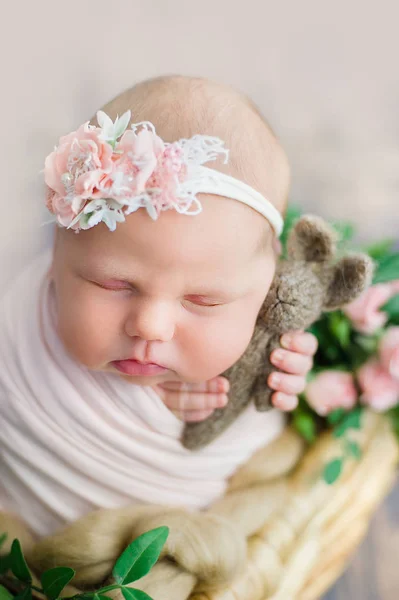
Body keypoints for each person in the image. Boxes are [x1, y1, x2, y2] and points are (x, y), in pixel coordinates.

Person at [0, 75, 317, 540]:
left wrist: (271, 374)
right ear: (57, 257)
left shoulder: (265, 340)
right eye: (112, 284)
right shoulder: (20, 333)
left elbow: (265, 414)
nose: (151, 326)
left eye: (202, 300)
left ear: (266, 291)